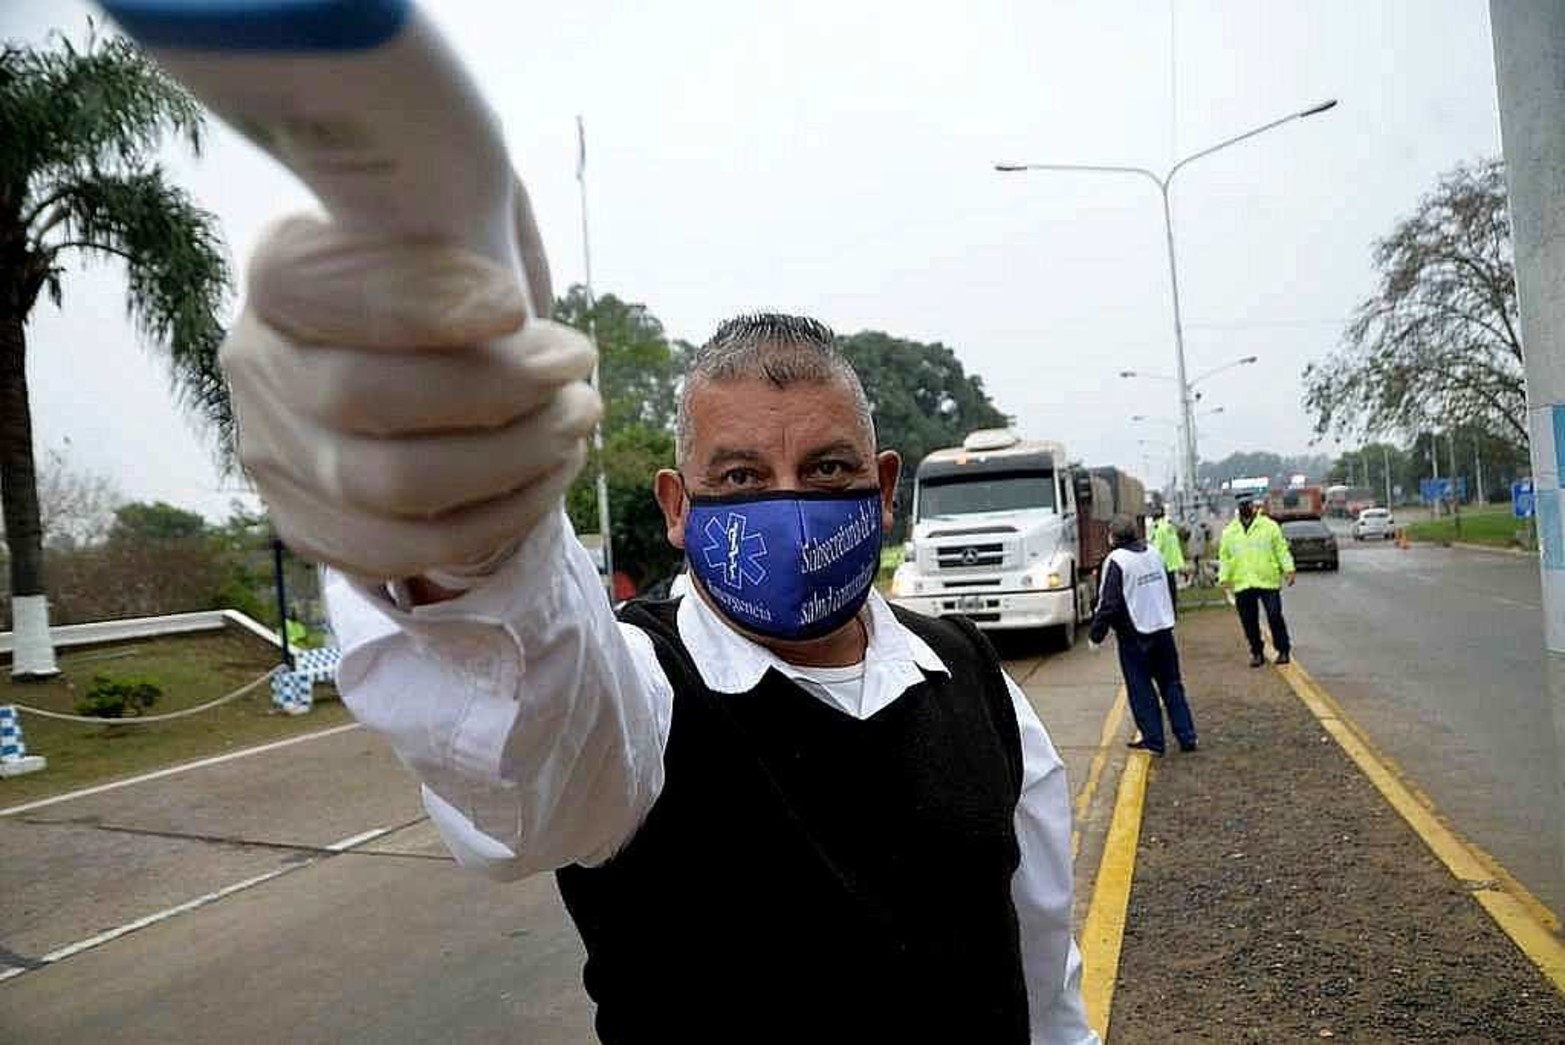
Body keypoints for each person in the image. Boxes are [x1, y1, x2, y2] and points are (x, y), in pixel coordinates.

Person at [219, 212, 1097, 1043]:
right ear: (677, 507)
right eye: (742, 477)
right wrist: (462, 521)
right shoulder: (645, 687)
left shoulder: (971, 677)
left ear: (881, 488)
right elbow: (533, 744)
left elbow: (1043, 965)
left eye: (826, 467)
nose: (787, 502)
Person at [1087, 514, 1198, 756]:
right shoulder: (1154, 553)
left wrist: (1096, 635)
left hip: (1134, 635)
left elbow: (1109, 604)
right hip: (1163, 629)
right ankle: (1187, 736)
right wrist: (1170, 615)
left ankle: (1154, 740)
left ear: (1113, 537)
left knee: (1141, 688)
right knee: (1172, 684)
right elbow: (1170, 587)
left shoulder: (1116, 560)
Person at [1218, 496, 1296, 667]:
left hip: (1267, 580)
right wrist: (1224, 578)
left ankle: (1283, 650)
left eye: (1248, 504)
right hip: (1243, 582)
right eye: (1242, 505)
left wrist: (1288, 569)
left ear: (1254, 506)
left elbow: (1281, 549)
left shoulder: (1269, 526)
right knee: (1248, 621)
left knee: (1274, 615)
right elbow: (1225, 558)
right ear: (1238, 508)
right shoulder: (1230, 531)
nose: (1246, 508)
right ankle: (1257, 652)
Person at [1148, 503, 1185, 609]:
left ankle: (1167, 610)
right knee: (1171, 587)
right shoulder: (1169, 526)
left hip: (1162, 563)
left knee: (1163, 589)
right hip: (1172, 561)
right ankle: (1173, 610)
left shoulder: (1159, 528)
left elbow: (1157, 547)